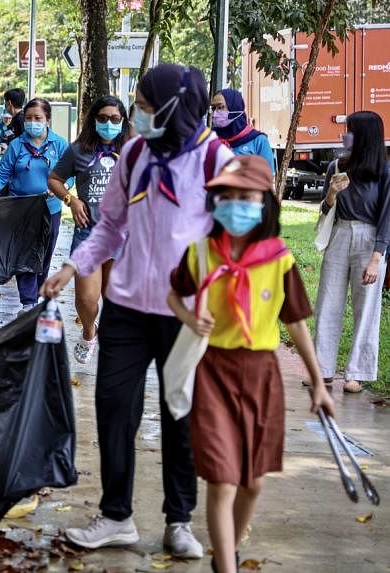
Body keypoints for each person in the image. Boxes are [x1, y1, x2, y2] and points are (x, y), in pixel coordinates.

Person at [40, 64, 233, 556]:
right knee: (114, 408)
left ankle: (179, 521)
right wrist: (73, 266)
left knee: (179, 414)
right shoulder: (133, 154)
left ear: (172, 108)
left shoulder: (216, 159)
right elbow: (109, 227)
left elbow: (237, 239)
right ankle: (116, 516)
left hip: (185, 313)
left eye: (146, 107)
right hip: (125, 304)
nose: (137, 115)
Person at [167, 155, 335, 573]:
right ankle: (226, 566)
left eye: (247, 197)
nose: (237, 204)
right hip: (212, 371)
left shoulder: (279, 260)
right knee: (222, 481)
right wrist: (190, 317)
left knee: (253, 483)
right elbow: (174, 295)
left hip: (261, 376)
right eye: (229, 196)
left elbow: (295, 324)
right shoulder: (202, 253)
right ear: (217, 201)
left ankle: (231, 551)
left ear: (265, 202)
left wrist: (319, 384)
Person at [310, 110, 390, 394]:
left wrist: (377, 257)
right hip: (340, 233)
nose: (345, 136)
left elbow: (386, 217)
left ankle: (357, 373)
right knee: (328, 300)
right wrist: (331, 193)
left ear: (365, 136)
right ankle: (322, 369)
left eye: (351, 130)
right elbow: (324, 210)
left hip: (370, 239)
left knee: (365, 307)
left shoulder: (384, 171)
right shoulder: (336, 166)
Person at [48, 95, 128, 364]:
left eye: (115, 119)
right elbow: (55, 180)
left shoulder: (132, 150)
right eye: (103, 118)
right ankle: (88, 330)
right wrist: (71, 200)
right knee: (86, 299)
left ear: (123, 121)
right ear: (94, 120)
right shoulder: (78, 150)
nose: (109, 123)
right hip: (88, 234)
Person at [0, 98, 68, 313]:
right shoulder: (17, 145)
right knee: (25, 255)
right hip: (21, 209)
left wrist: (59, 187)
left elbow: (69, 174)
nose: (32, 122)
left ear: (47, 119)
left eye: (38, 118)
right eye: (28, 118)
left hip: (50, 209)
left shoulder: (60, 144)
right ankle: (28, 302)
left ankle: (37, 295)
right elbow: (3, 173)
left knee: (44, 256)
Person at [211, 89, 275, 174]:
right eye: (213, 108)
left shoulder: (259, 141)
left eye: (220, 107)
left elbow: (267, 177)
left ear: (234, 107)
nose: (215, 113)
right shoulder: (210, 139)